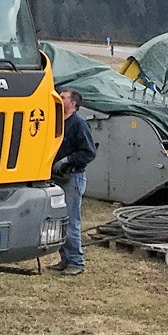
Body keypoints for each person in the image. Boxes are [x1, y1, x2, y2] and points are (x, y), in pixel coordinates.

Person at [51, 88, 97, 276]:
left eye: (62, 97)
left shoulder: (79, 124)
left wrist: (67, 161)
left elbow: (88, 152)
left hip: (72, 178)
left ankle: (76, 263)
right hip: (57, 177)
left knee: (71, 220)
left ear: (73, 103)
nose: (58, 99)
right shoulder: (58, 122)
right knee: (60, 220)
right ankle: (65, 259)